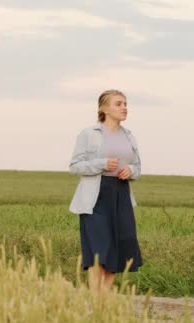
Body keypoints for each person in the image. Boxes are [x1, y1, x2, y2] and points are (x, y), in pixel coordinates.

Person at [68, 89, 143, 295]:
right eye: (118, 104)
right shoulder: (89, 134)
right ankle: (96, 297)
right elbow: (75, 166)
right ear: (103, 108)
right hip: (95, 197)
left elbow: (137, 166)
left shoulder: (129, 136)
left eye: (125, 104)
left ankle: (104, 299)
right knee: (99, 249)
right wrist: (101, 164)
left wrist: (131, 171)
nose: (124, 107)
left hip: (121, 194)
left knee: (119, 247)